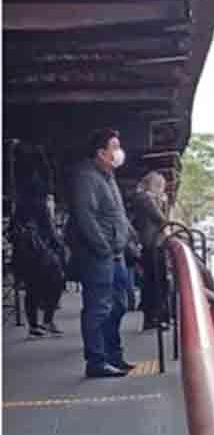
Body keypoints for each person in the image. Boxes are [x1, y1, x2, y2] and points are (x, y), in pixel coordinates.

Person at [67, 128, 134, 378]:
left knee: (119, 303)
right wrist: (104, 247)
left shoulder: (108, 176)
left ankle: (113, 354)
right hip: (99, 255)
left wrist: (129, 239)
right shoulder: (86, 177)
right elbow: (86, 217)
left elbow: (117, 213)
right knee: (98, 308)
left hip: (116, 254)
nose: (119, 152)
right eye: (114, 147)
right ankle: (96, 361)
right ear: (101, 153)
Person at [11, 145, 67, 338]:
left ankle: (36, 324)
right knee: (54, 280)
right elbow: (43, 218)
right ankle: (45, 320)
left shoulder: (22, 190)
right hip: (39, 242)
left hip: (29, 245)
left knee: (34, 286)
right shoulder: (36, 189)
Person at [130, 171, 169, 330]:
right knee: (156, 282)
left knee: (154, 281)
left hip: (151, 243)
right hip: (152, 243)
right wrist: (162, 203)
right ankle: (154, 316)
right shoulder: (145, 199)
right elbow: (161, 219)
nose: (162, 189)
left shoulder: (142, 198)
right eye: (160, 185)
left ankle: (155, 315)